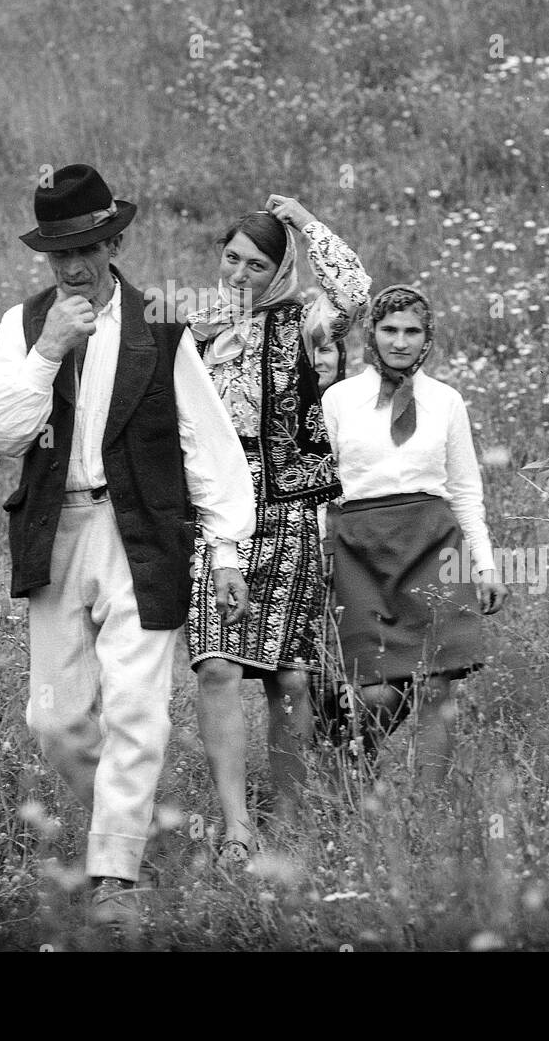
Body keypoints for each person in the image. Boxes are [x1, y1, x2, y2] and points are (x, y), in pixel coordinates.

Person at [0, 164, 255, 927]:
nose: (72, 266)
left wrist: (225, 550)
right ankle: (130, 821)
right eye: (58, 253)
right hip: (53, 531)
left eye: (85, 248)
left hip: (140, 532)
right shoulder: (26, 324)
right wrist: (48, 352)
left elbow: (209, 444)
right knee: (52, 720)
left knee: (135, 705)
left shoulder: (162, 327)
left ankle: (116, 869)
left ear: (114, 243)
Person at [186, 195, 370, 862]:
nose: (239, 274)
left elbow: (355, 292)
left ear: (280, 269)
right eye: (231, 258)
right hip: (213, 505)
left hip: (288, 503)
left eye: (256, 264)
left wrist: (307, 222)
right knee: (215, 664)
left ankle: (289, 823)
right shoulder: (196, 330)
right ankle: (237, 826)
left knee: (288, 675)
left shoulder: (305, 322)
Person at [321, 285, 505, 784]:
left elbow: (464, 491)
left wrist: (485, 564)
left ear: (427, 337)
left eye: (412, 331)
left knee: (438, 685)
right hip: (361, 549)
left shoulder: (446, 400)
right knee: (376, 688)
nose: (400, 342)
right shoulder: (339, 399)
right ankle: (345, 766)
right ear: (371, 333)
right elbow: (322, 487)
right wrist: (321, 553)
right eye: (389, 330)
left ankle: (430, 809)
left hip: (434, 545)